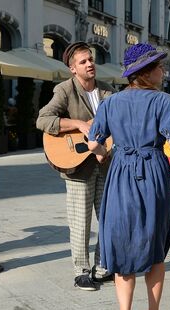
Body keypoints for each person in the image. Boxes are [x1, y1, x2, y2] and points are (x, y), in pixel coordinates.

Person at [87, 43, 170, 310]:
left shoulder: (110, 103)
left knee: (122, 246)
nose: (164, 71)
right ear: (146, 73)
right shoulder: (165, 102)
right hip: (153, 175)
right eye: (160, 67)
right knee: (154, 244)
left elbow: (95, 146)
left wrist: (104, 155)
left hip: (120, 174)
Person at [37, 41, 116, 291]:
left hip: (104, 163)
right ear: (73, 68)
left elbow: (117, 124)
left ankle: (102, 268)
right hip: (77, 165)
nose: (90, 64)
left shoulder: (107, 91)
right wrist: (79, 124)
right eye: (83, 62)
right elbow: (43, 119)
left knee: (107, 218)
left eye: (91, 59)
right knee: (81, 222)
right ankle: (81, 272)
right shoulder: (65, 90)